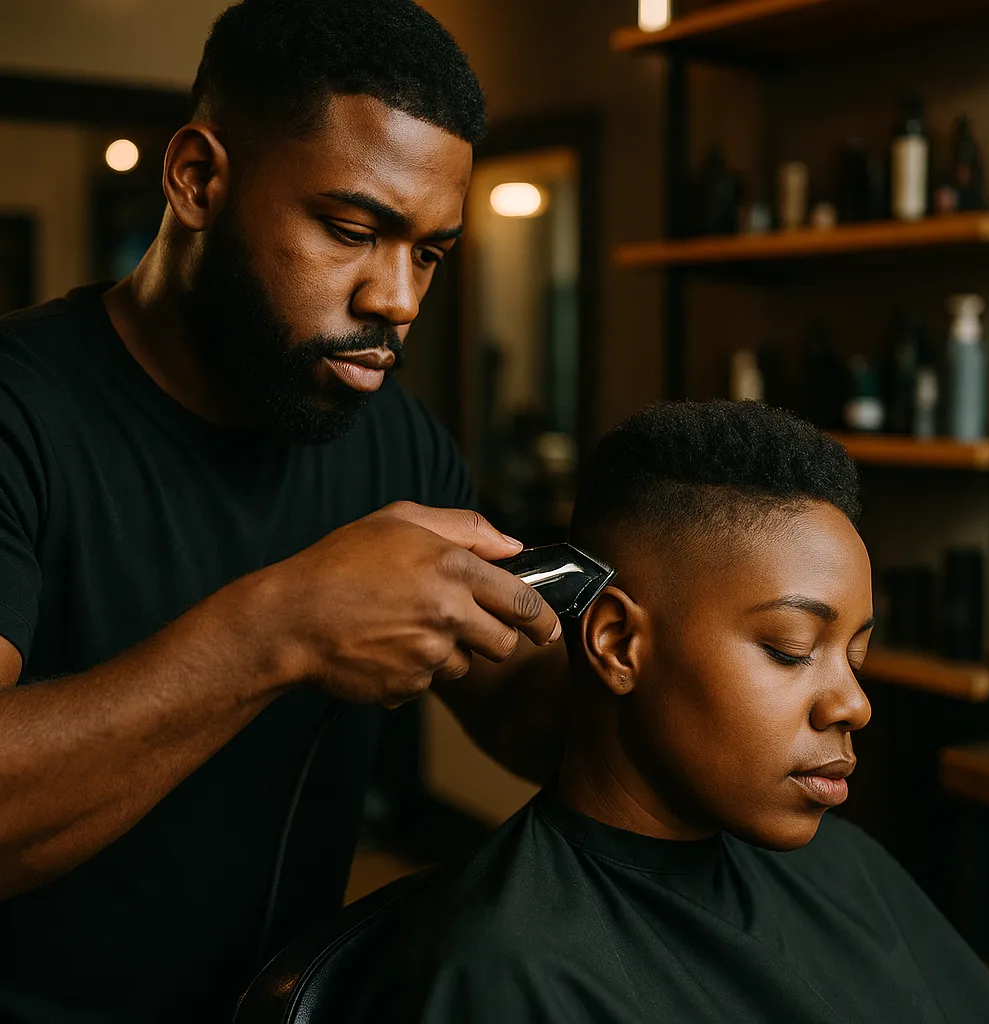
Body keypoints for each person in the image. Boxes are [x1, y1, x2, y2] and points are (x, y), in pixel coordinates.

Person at [0, 2, 568, 1021]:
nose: (397, 299)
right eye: (352, 231)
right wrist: (281, 629)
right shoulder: (18, 412)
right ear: (197, 178)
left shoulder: (397, 440)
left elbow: (520, 704)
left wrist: (699, 659)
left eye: (430, 254)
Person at [346, 401, 989, 1024]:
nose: (854, 704)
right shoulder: (506, 976)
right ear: (618, 643)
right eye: (791, 649)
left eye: (856, 656)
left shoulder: (846, 867)